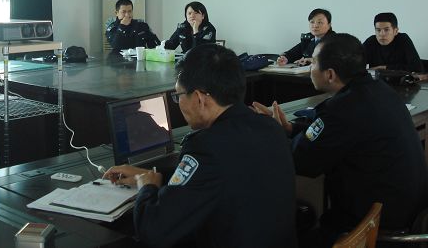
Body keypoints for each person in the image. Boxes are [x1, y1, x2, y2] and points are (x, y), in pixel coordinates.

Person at [103, 44, 297, 248]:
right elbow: (217, 179)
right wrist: (155, 176)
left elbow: (153, 229)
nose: (178, 102)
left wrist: (147, 186)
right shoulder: (270, 127)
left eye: (178, 95)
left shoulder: (205, 147)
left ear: (199, 98)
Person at [252, 34, 428, 248]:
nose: (310, 67)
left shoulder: (343, 109)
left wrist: (271, 131)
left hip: (374, 230)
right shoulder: (379, 90)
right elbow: (334, 135)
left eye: (313, 62)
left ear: (330, 74)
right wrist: (290, 128)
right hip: (407, 212)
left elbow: (301, 160)